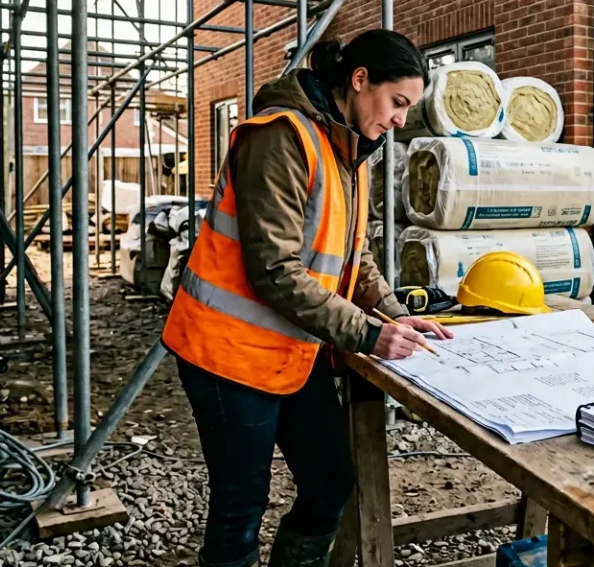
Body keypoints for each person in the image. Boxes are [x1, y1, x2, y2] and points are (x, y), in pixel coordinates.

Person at [161, 29, 454, 567]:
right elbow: (273, 268)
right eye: (397, 103)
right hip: (226, 353)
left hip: (292, 349)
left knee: (330, 483)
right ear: (359, 79)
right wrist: (367, 333)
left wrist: (394, 314)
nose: (399, 121)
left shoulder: (349, 152)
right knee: (240, 506)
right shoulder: (280, 136)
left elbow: (353, 257)